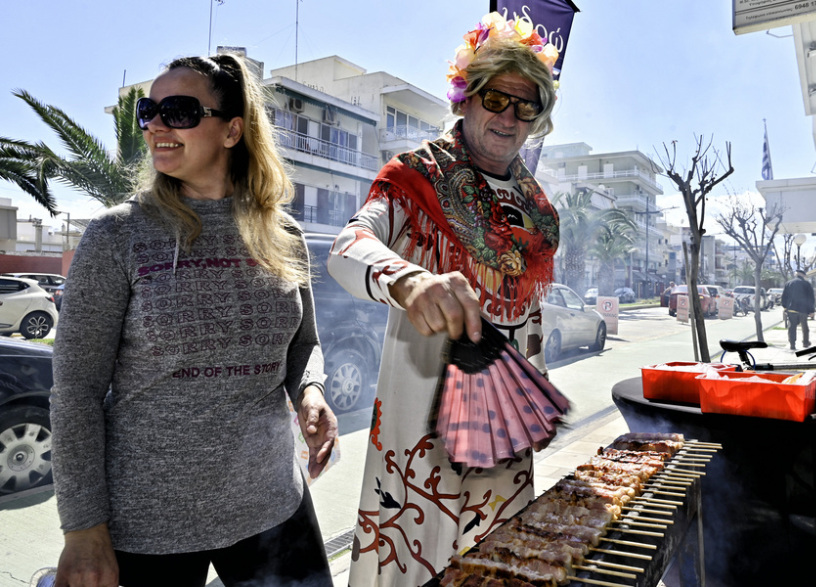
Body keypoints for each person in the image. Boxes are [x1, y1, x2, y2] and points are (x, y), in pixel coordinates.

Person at [50, 54, 338, 587]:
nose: (156, 124)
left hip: (275, 505)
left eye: (179, 110)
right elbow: (76, 391)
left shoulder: (284, 233)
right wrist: (83, 529)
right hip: (149, 527)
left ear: (232, 130)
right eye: (149, 110)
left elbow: (303, 345)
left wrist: (312, 390)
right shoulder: (117, 236)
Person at [327, 12, 559, 586]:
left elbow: (529, 322)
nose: (508, 116)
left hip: (504, 440)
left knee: (499, 571)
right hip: (419, 436)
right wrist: (407, 280)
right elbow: (346, 245)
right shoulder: (413, 176)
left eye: (525, 106)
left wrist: (534, 400)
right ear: (465, 97)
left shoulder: (540, 210)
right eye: (495, 98)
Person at [782, 269, 816, 350]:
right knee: (805, 327)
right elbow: (811, 298)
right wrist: (811, 311)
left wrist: (785, 307)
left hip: (791, 309)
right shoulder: (807, 284)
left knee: (792, 327)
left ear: (796, 275)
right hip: (803, 310)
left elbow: (784, 296)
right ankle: (805, 342)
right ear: (803, 275)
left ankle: (792, 344)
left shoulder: (789, 283)